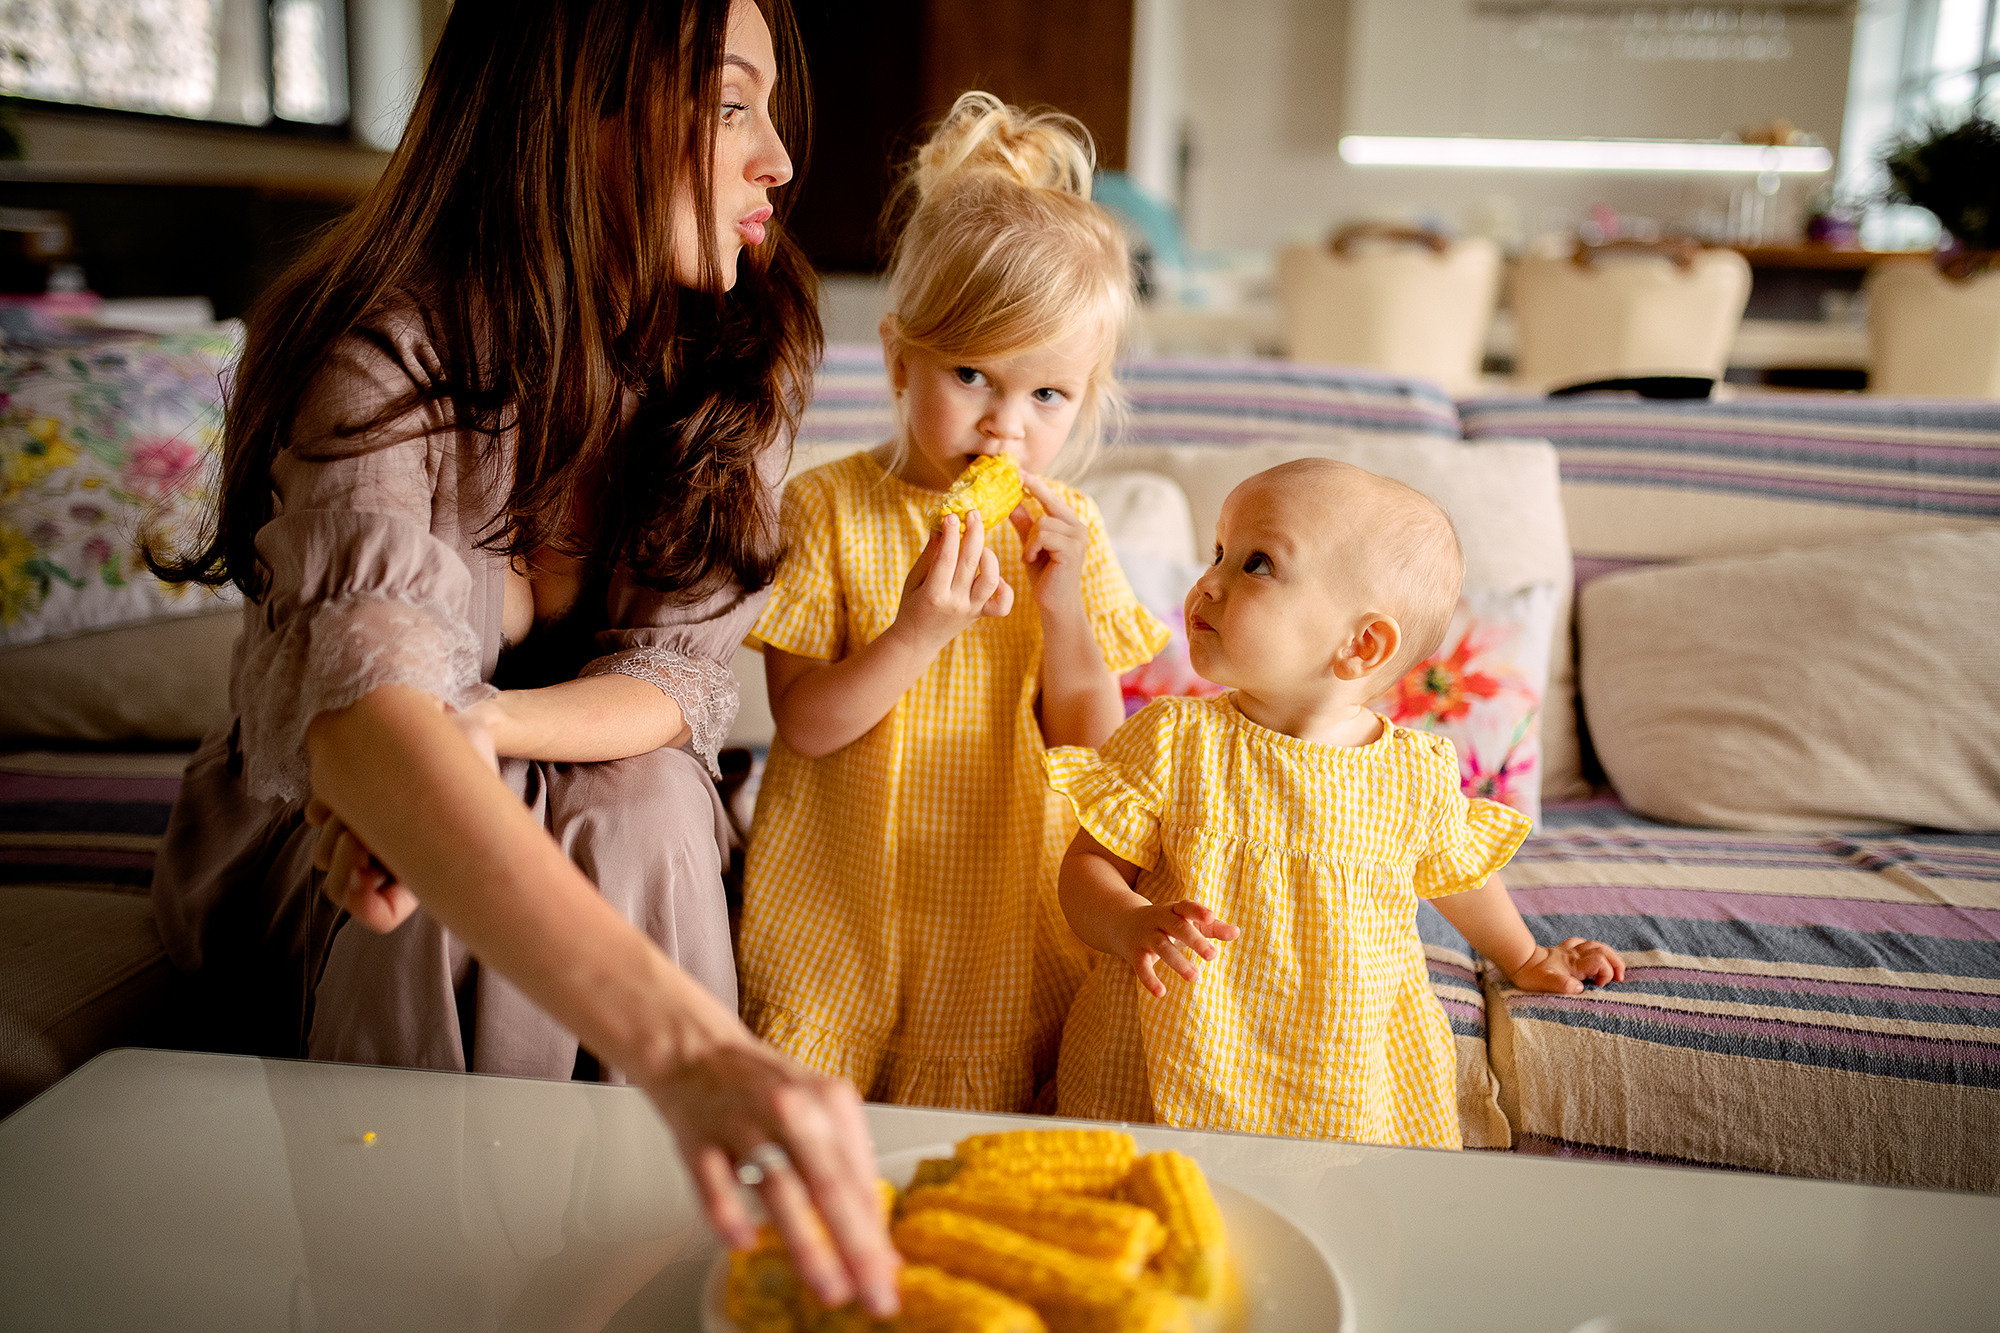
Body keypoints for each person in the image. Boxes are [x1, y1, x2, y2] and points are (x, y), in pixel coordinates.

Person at [146, 0, 897, 1314]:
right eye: (729, 106)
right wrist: (692, 1047)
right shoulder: (374, 343)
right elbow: (366, 701)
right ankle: (411, 1284)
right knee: (436, 833)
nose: (777, 158)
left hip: (593, 805)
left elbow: (673, 686)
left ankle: (669, 1271)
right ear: (573, 117)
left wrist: (474, 726)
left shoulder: (741, 345)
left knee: (645, 797)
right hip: (313, 857)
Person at [736, 93, 1169, 1113]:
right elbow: (805, 721)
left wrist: (1062, 615)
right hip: (847, 894)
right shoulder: (828, 508)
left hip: (995, 903)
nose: (1003, 425)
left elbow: (1095, 750)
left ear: (1087, 395)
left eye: (1046, 395)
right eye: (971, 375)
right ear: (897, 358)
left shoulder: (1068, 534)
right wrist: (917, 629)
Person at [1046, 458, 1626, 1146]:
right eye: (1219, 553)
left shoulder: (1414, 772)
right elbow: (1085, 870)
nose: (1209, 581)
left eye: (1255, 564)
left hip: (1341, 1061)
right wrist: (1128, 923)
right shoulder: (1175, 738)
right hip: (1172, 1041)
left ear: (1361, 644)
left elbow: (1462, 879)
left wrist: (1529, 958)